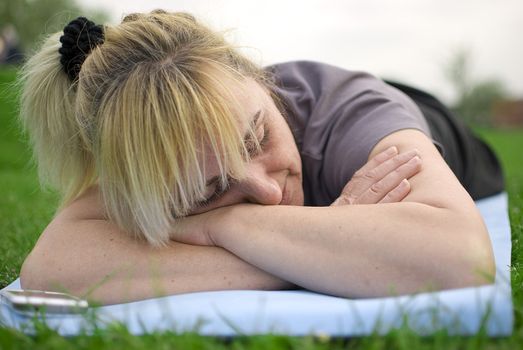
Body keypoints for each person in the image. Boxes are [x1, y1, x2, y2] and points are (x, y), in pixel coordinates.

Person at [18, 11, 503, 305]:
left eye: (256, 139)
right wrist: (253, 235)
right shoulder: (165, 154)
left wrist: (214, 227)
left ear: (262, 82)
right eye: (208, 192)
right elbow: (51, 268)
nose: (268, 191)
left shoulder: (346, 107)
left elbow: (461, 259)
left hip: (429, 122)